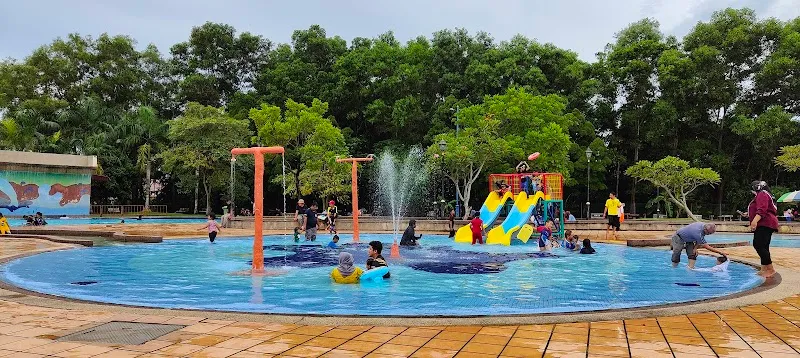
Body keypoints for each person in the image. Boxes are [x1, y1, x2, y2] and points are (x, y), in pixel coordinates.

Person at [748, 181, 779, 278]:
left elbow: (762, 209)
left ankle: (770, 269)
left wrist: (754, 221)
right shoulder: (766, 194)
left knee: (758, 244)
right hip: (766, 222)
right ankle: (764, 268)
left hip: (765, 223)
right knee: (763, 246)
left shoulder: (762, 194)